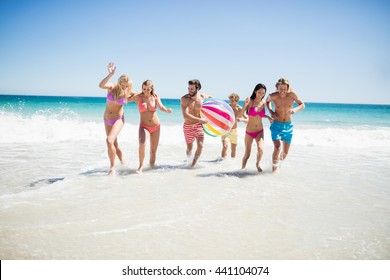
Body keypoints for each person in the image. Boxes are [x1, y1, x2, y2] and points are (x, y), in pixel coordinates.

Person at [128, 80, 173, 174]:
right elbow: (125, 100)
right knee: (142, 144)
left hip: (156, 126)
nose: (146, 91)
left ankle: (151, 169)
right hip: (144, 126)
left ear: (151, 89)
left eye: (148, 89)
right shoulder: (137, 97)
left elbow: (161, 107)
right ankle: (140, 166)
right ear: (142, 88)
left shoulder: (155, 97)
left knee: (153, 151)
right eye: (144, 89)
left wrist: (167, 110)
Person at [99, 62, 134, 175]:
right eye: (122, 85)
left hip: (118, 119)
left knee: (109, 140)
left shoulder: (127, 91)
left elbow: (141, 95)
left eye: (126, 86)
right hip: (107, 119)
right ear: (119, 82)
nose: (124, 88)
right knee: (114, 144)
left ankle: (112, 168)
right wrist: (109, 75)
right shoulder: (112, 87)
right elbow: (101, 85)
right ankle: (123, 163)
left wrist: (153, 95)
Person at [266, 78, 305, 172]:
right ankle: (274, 170)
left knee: (285, 153)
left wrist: (294, 110)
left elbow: (302, 105)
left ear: (288, 88)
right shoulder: (273, 96)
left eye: (284, 89)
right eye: (280, 89)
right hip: (276, 125)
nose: (282, 91)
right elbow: (267, 102)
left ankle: (277, 165)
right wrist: (271, 112)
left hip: (288, 126)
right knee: (277, 147)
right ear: (277, 88)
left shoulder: (292, 95)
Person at [240, 83, 273, 172]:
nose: (261, 95)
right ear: (255, 91)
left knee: (261, 149)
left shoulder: (264, 102)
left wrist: (269, 117)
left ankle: (257, 164)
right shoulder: (250, 101)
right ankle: (242, 170)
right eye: (259, 92)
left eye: (263, 93)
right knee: (247, 154)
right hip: (249, 132)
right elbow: (240, 114)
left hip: (259, 131)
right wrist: (244, 105)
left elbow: (260, 115)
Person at [180, 79, 210, 167]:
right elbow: (185, 115)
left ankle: (193, 164)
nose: (189, 91)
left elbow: (212, 100)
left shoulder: (202, 96)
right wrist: (201, 120)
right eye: (188, 88)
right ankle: (188, 161)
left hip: (198, 126)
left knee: (200, 145)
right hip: (188, 126)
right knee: (189, 147)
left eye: (191, 89)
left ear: (197, 88)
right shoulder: (184, 99)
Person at [221, 92, 247, 159]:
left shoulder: (240, 109)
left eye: (233, 101)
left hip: (234, 131)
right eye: (230, 100)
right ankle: (221, 162)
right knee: (225, 146)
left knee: (233, 149)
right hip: (226, 130)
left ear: (237, 100)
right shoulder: (226, 107)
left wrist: (242, 119)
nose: (231, 102)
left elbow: (246, 119)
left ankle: (232, 164)